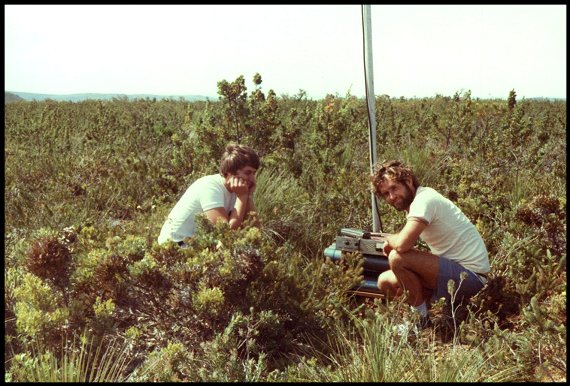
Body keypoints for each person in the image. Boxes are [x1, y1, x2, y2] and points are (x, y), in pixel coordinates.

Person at [370, 160, 490, 328]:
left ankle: (419, 321)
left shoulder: (424, 200)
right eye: (385, 194)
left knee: (397, 257)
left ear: (409, 181)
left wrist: (390, 239)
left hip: (471, 277)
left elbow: (403, 244)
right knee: (385, 281)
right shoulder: (417, 203)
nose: (391, 197)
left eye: (394, 188)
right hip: (456, 272)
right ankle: (423, 313)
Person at [158, 143, 261, 246]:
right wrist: (242, 197)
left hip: (198, 245)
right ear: (230, 172)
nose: (252, 179)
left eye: (254, 173)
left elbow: (255, 230)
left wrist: (248, 196)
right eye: (248, 173)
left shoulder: (239, 190)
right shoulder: (210, 186)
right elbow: (226, 235)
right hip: (175, 244)